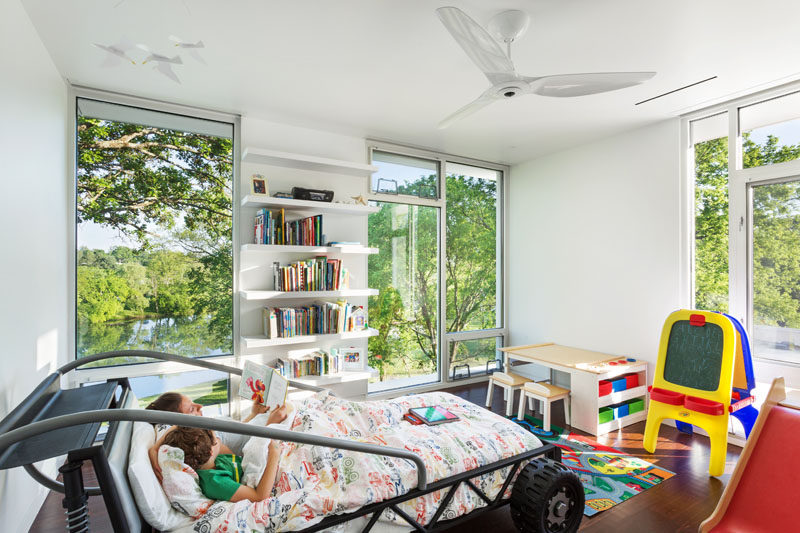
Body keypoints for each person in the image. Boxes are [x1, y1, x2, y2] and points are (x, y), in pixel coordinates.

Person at [145, 391, 288, 481]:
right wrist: (270, 426)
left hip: (260, 424)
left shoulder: (209, 428)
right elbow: (245, 459)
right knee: (288, 406)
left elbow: (236, 433)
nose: (200, 406)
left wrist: (253, 414)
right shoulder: (211, 442)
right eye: (192, 409)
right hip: (266, 434)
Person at [162, 426, 281, 502]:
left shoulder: (211, 460)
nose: (219, 438)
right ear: (211, 451)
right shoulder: (215, 482)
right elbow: (259, 497)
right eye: (216, 438)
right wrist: (274, 455)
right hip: (266, 480)